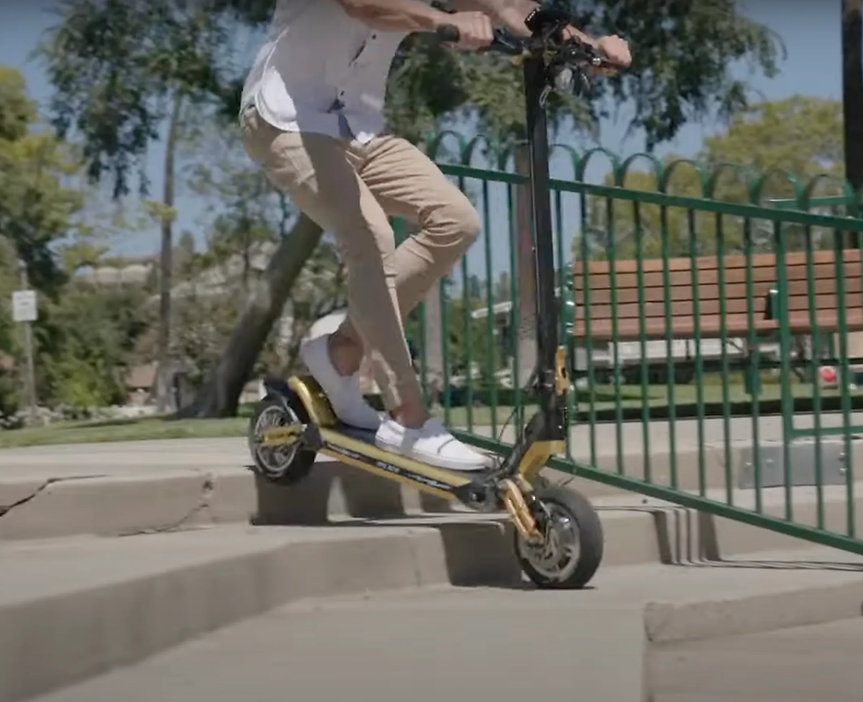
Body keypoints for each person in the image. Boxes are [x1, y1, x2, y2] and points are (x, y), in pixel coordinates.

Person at [240, 0, 631, 471]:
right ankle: (407, 415)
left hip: (359, 129)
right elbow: (364, 5)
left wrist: (584, 44)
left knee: (455, 220)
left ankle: (342, 349)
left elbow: (505, 6)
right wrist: (442, 21)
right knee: (371, 238)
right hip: (286, 121)